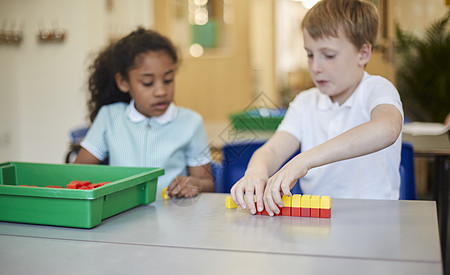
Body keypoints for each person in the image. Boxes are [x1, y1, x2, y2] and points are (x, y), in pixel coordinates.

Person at [231, 0, 403, 216]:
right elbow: (274, 149)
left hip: (374, 221)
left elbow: (387, 129)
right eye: (310, 54)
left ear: (363, 53)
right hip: (319, 222)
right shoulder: (305, 102)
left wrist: (304, 160)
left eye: (328, 56)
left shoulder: (377, 89)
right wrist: (256, 171)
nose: (315, 67)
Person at [74, 27, 214, 198]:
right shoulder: (110, 117)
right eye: (148, 83)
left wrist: (195, 184)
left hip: (175, 216)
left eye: (168, 80)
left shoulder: (191, 122)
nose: (161, 91)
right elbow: (77, 174)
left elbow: (208, 183)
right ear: (124, 82)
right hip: (122, 217)